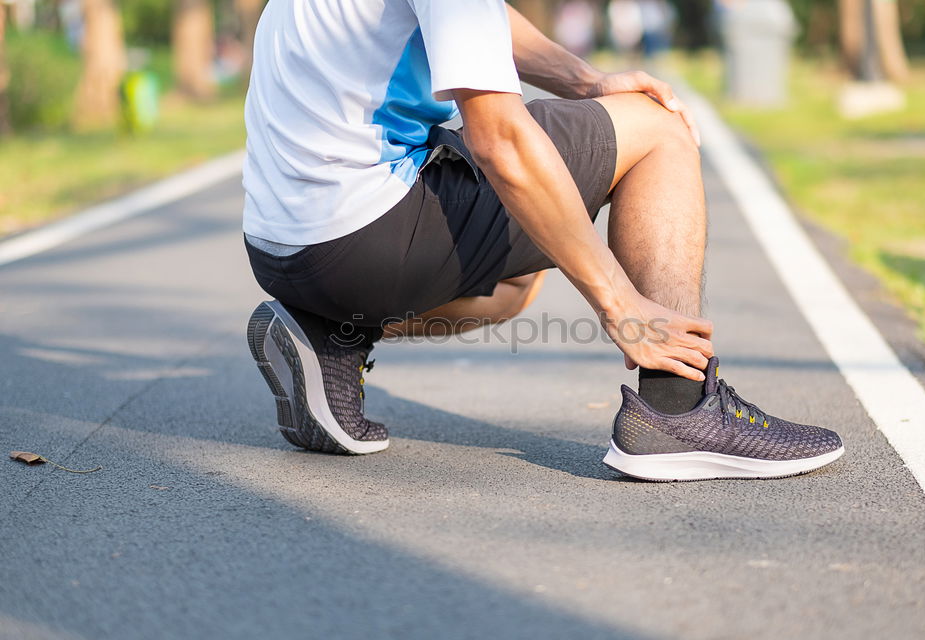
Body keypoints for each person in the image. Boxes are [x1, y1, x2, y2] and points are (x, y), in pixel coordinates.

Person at [242, 0, 843, 481]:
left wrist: (586, 81)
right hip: (366, 233)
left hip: (285, 247)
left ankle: (329, 330)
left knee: (514, 285)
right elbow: (501, 141)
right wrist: (623, 306)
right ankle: (679, 409)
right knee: (657, 130)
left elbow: (478, 18)